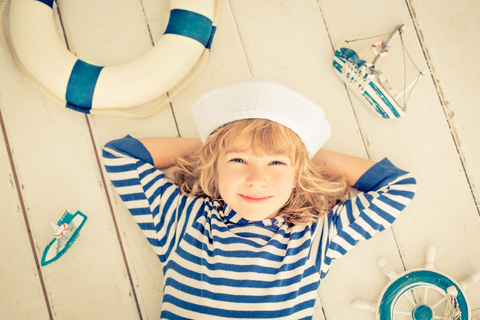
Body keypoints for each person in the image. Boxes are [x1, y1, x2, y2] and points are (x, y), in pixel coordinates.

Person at [102, 78, 416, 319]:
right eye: (238, 161)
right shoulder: (185, 222)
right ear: (215, 169)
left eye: (276, 163)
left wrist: (300, 153)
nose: (256, 180)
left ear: (298, 176)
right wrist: (216, 146)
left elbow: (398, 186)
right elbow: (120, 155)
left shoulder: (315, 238)